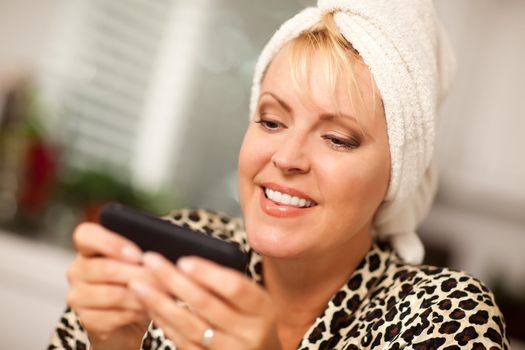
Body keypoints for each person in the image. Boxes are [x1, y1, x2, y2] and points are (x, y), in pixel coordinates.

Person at [48, 0, 510, 349]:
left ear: (396, 174)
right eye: (271, 121)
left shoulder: (444, 316)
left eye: (338, 138)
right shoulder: (172, 258)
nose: (287, 157)